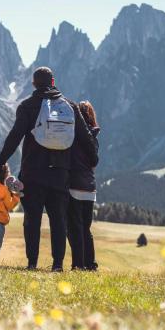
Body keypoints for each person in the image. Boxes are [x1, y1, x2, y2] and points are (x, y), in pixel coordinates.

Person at [0, 67, 97, 271]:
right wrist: (93, 159)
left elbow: (14, 138)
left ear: (34, 84)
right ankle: (57, 264)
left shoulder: (27, 106)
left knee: (32, 220)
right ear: (53, 82)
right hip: (60, 173)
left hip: (33, 173)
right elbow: (86, 138)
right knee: (59, 220)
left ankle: (32, 263)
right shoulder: (70, 107)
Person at [67, 101, 100, 270]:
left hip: (73, 186)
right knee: (86, 229)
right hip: (90, 188)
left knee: (74, 229)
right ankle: (91, 264)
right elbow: (94, 163)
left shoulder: (72, 134)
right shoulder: (94, 137)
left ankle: (78, 265)